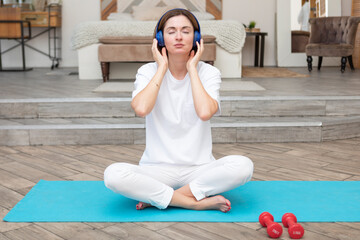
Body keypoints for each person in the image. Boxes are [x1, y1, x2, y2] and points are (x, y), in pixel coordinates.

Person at [104, 8, 253, 213]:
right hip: (156, 169)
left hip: (200, 168)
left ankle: (161, 197)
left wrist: (192, 68)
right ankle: (192, 202)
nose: (179, 37)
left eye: (186, 30)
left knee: (244, 166)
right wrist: (162, 67)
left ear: (196, 37)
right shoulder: (147, 71)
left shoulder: (209, 72)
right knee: (113, 175)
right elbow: (141, 108)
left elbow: (204, 112)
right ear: (160, 38)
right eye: (171, 31)